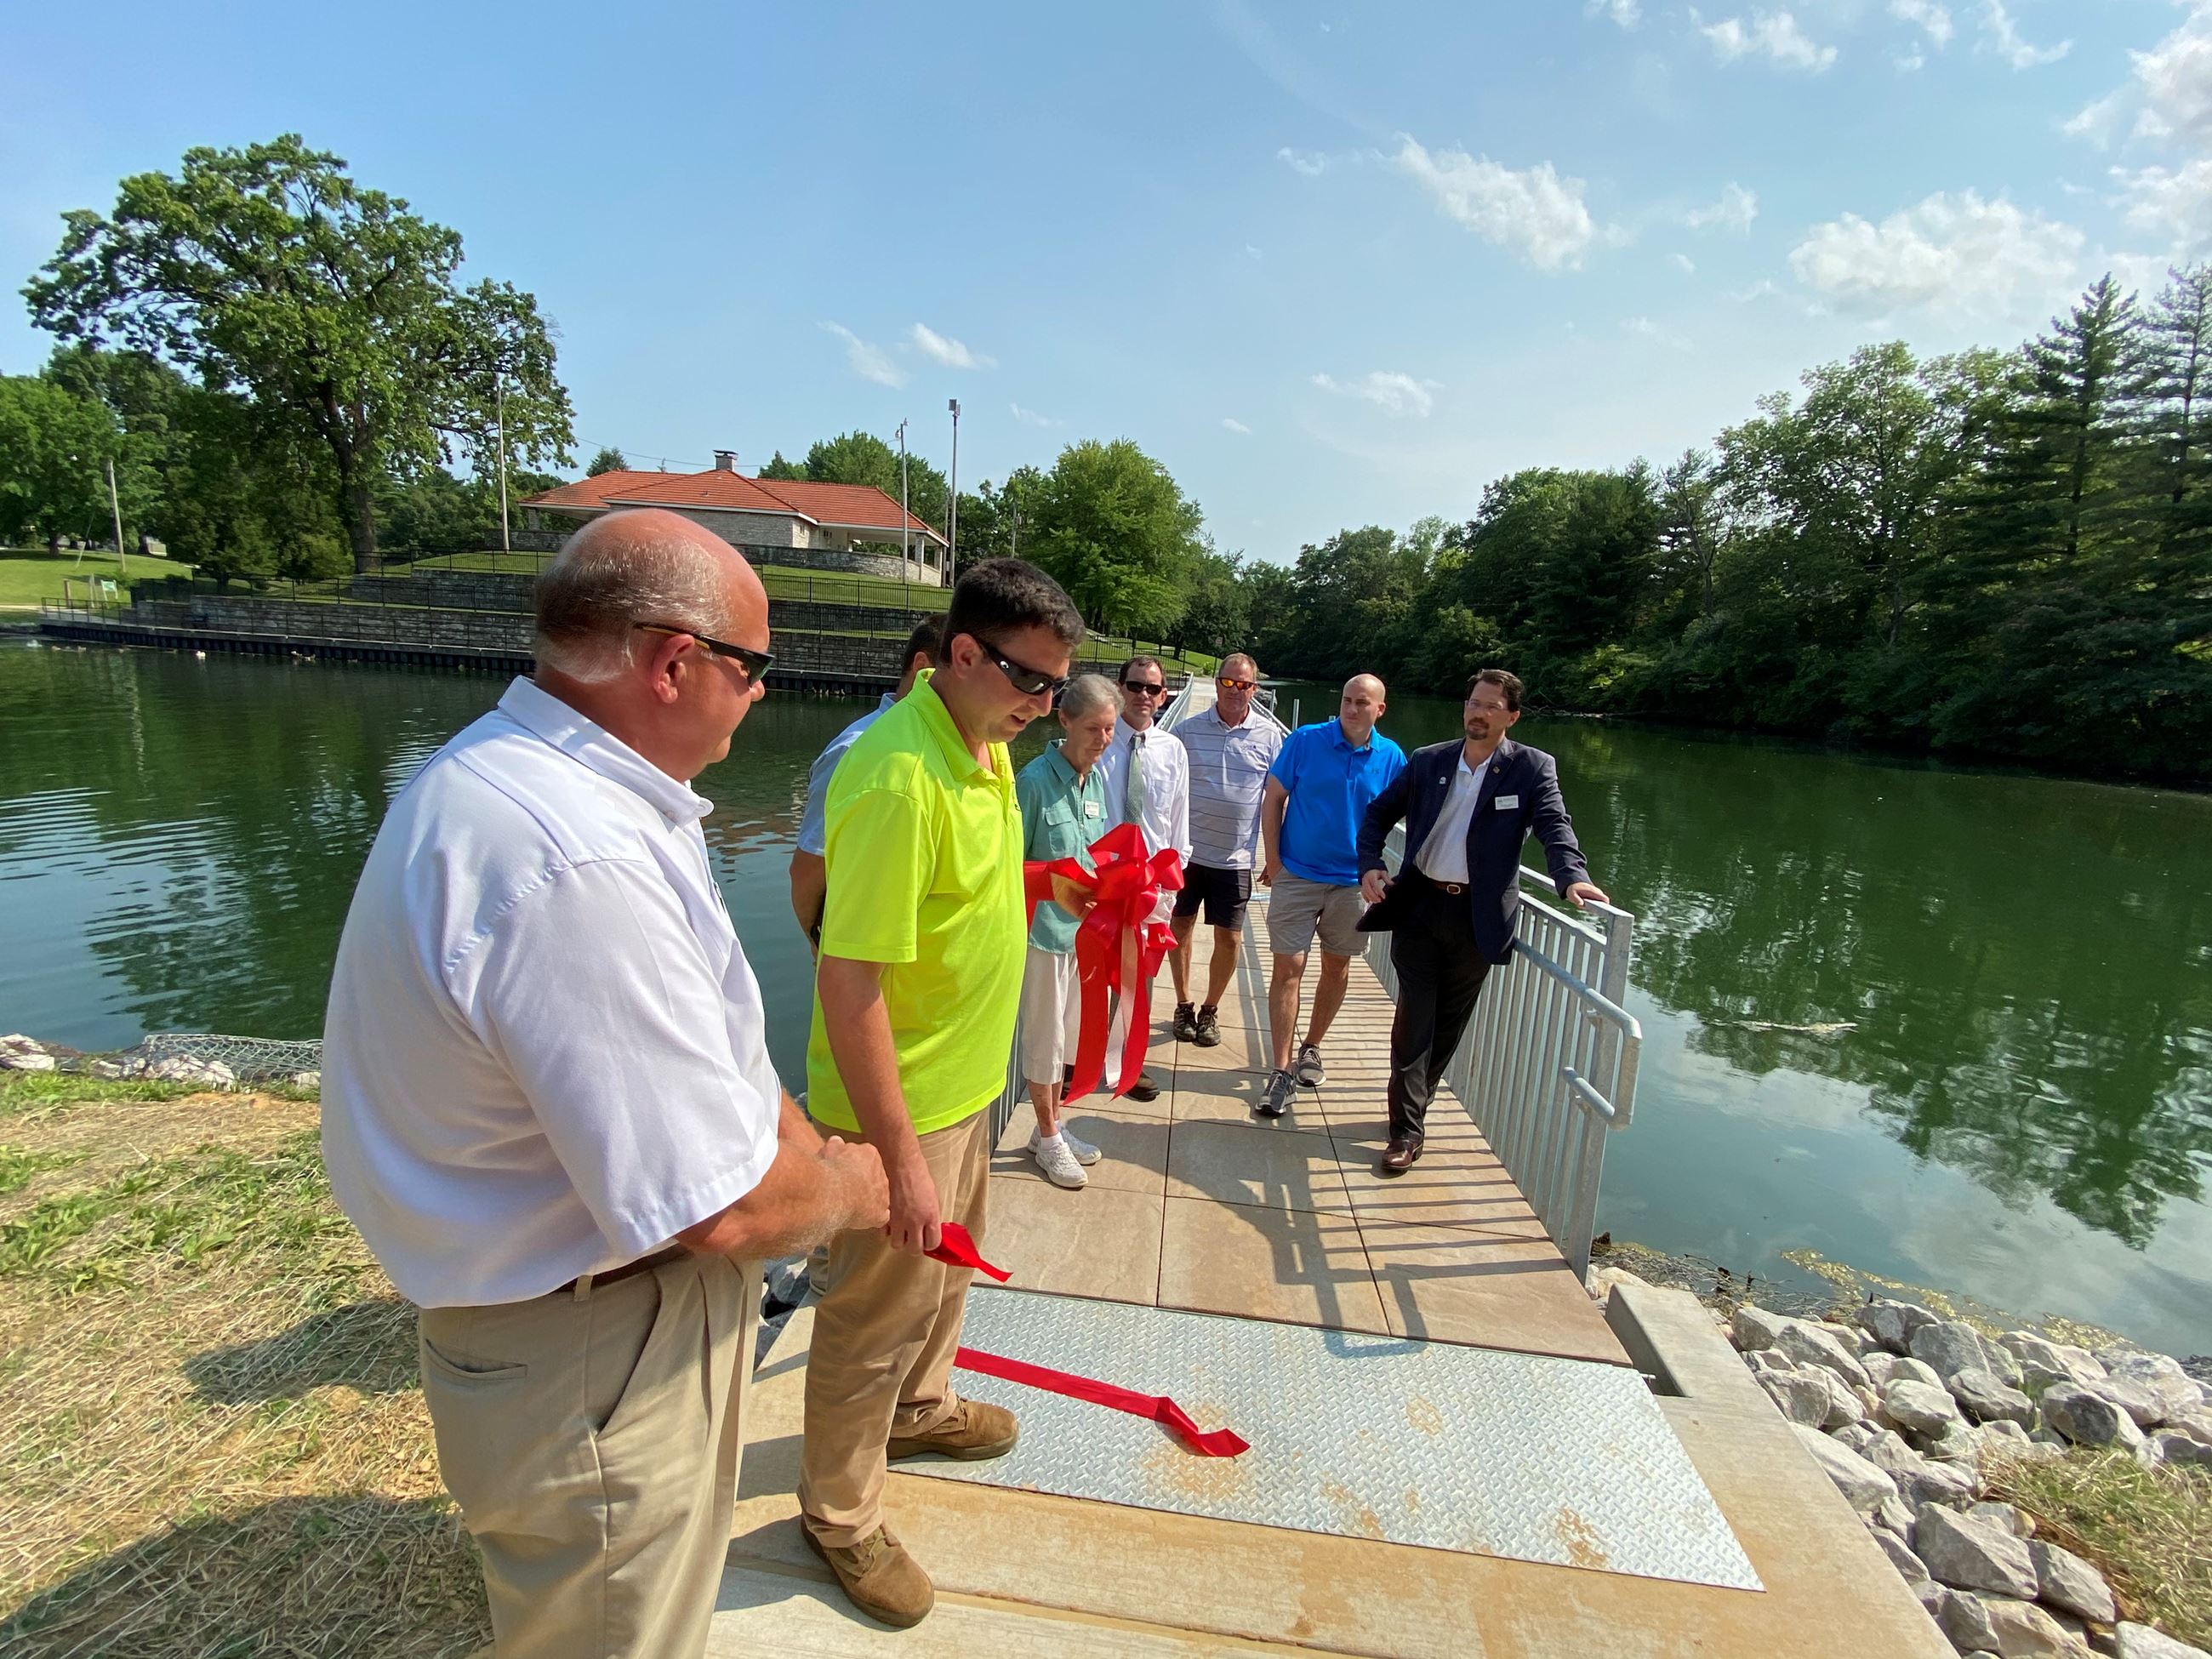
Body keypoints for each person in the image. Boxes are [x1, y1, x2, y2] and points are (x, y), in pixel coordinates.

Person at [320, 508, 890, 1659]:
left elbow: (715, 1054)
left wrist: (799, 1140)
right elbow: (722, 1206)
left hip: (572, 1331)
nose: (761, 693)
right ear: (674, 663)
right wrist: (854, 1186)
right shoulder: (577, 858)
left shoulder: (525, 783)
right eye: (753, 666)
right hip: (594, 1353)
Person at [801, 556, 1087, 1628]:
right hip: (900, 1110)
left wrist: (1045, 884)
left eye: (1056, 685)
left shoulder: (985, 742)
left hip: (967, 1089)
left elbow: (957, 895)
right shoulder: (894, 775)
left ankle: (918, 1410)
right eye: (1029, 680)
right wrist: (897, 1160)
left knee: (943, 1282)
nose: (1043, 705)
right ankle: (837, 1514)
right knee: (870, 1318)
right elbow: (849, 982)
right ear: (961, 653)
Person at [1354, 669, 1609, 1173]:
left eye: (1492, 706)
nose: (1479, 713)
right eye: (1474, 702)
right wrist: (1371, 864)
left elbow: (1554, 826)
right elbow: (1378, 815)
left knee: (1448, 1025)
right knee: (1414, 1021)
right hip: (1420, 906)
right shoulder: (1429, 761)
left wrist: (1572, 878)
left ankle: (1414, 1106)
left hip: (1478, 917)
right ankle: (1405, 1130)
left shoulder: (1531, 768)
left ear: (1512, 716)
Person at [1256, 674, 1405, 1118]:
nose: (1352, 709)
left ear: (1380, 710)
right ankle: (1281, 1069)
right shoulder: (1306, 740)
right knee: (1289, 966)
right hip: (1298, 873)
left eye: (1362, 703)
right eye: (1347, 700)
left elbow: (1409, 816)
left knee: (1337, 966)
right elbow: (1273, 798)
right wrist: (1274, 861)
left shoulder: (1392, 757)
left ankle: (1312, 1046)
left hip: (1354, 883)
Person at [1013, 673, 1120, 1187]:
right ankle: (1047, 1136)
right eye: (1094, 729)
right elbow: (1010, 867)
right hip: (1042, 937)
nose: (1104, 740)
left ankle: (1050, 1127)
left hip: (1084, 937)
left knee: (1069, 1038)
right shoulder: (1033, 783)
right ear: (1065, 721)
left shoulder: (1094, 780)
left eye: (1110, 729)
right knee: (1045, 1040)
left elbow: (1097, 856)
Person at [790, 615, 944, 945]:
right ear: (922, 667)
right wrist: (820, 947)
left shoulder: (943, 749)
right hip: (859, 950)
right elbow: (809, 868)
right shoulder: (855, 749)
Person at [1168, 653, 1282, 1046]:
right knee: (1179, 928)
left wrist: (1274, 855)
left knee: (1229, 938)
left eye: (1244, 684)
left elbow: (1278, 799)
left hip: (1235, 859)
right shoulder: (1186, 732)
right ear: (1217, 684)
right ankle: (1183, 1004)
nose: (1235, 690)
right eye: (1228, 682)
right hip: (1186, 854)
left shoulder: (1270, 736)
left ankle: (1210, 1010)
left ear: (1255, 689)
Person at [1093, 653, 1189, 1101]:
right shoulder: (1098, 740)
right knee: (1090, 969)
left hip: (1150, 882)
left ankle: (1127, 1063)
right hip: (1102, 875)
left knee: (1138, 979)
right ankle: (1080, 1058)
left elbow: (1178, 818)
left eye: (1153, 689)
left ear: (1164, 695)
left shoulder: (1172, 750)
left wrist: (1173, 878)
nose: (1143, 696)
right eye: (1135, 686)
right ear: (1120, 689)